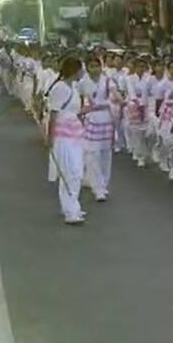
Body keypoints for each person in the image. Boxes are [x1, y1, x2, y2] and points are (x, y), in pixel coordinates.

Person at [46, 55, 85, 224]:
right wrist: (50, 137)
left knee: (74, 171)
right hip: (63, 135)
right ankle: (71, 211)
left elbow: (74, 110)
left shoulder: (73, 87)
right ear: (74, 70)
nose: (83, 72)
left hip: (75, 133)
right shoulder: (60, 88)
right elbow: (53, 114)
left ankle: (71, 206)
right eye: (81, 68)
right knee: (71, 172)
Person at [79, 53, 116, 201]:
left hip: (106, 119)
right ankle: (97, 187)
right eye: (92, 66)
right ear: (87, 67)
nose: (95, 69)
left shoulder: (107, 80)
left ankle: (103, 183)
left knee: (105, 153)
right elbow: (80, 99)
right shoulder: (83, 82)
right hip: (91, 119)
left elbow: (114, 93)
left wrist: (121, 99)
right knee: (92, 153)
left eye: (97, 66)